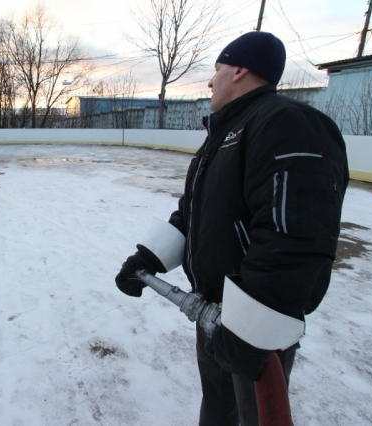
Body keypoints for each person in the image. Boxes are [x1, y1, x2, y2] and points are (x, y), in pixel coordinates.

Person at [115, 31, 349, 426]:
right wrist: (148, 259)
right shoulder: (223, 135)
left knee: (254, 417)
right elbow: (196, 214)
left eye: (217, 68)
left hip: (252, 324)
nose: (210, 80)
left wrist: (251, 330)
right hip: (215, 313)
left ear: (240, 70)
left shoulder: (288, 123)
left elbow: (294, 238)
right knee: (218, 409)